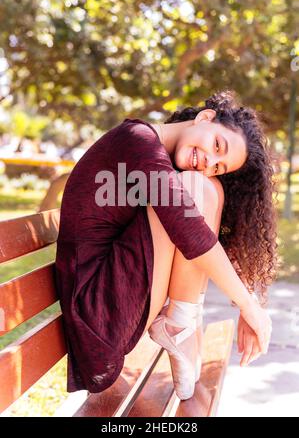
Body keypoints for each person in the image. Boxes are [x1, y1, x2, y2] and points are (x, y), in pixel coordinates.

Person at [54, 90, 277, 400]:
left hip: (113, 310)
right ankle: (180, 325)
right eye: (216, 145)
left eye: (218, 165)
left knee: (207, 188)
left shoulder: (162, 159)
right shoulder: (136, 140)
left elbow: (206, 234)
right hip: (96, 320)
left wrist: (250, 299)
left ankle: (183, 321)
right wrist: (248, 307)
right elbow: (189, 231)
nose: (208, 162)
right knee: (194, 189)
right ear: (205, 117)